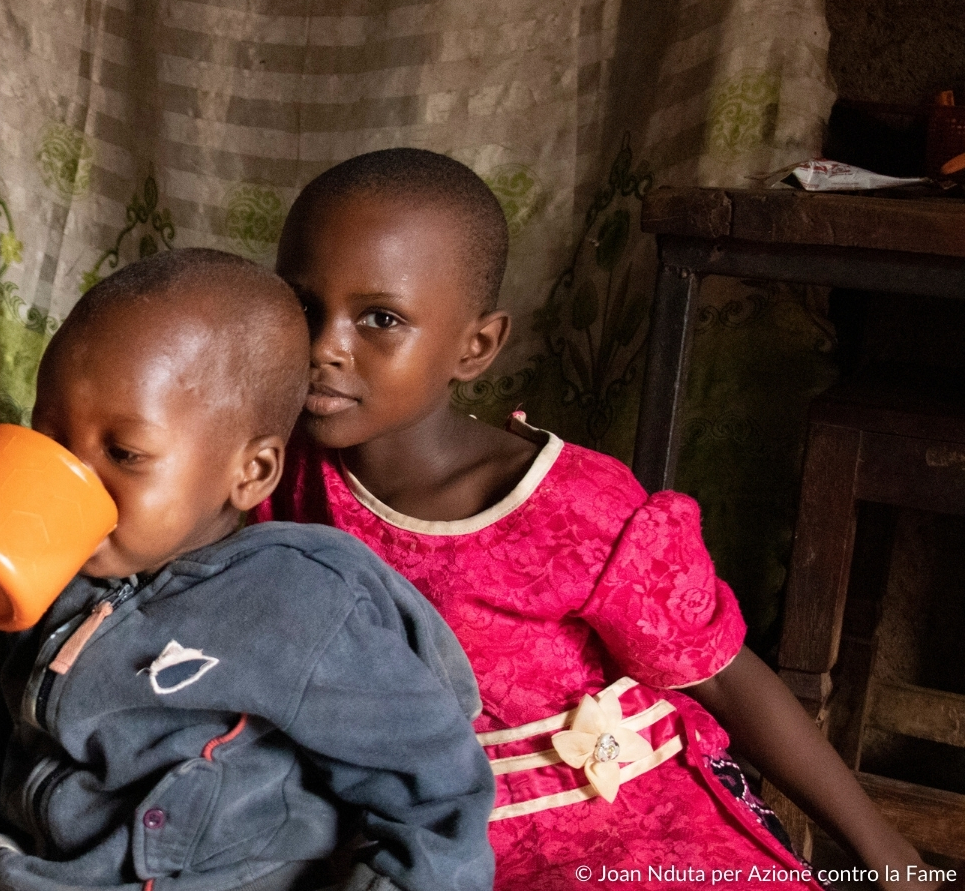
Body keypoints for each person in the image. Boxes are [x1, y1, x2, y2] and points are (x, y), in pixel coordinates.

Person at [258, 148, 957, 891]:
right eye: (302, 307)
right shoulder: (268, 472)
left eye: (380, 318)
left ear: (477, 346)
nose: (325, 346)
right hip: (420, 839)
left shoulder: (570, 508)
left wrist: (892, 859)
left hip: (618, 833)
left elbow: (723, 677)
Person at [0, 249, 498, 891]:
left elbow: (434, 788)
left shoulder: (302, 605)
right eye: (52, 435)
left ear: (253, 471)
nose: (74, 474)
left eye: (125, 454)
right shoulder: (57, 579)